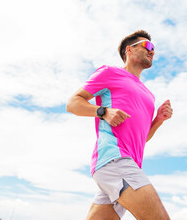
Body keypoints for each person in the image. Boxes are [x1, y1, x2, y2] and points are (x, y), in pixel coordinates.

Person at [66, 30, 173, 220]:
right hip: (114, 160)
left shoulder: (149, 95)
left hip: (128, 164)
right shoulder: (110, 73)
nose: (152, 51)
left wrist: (158, 120)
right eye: (147, 46)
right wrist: (103, 112)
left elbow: (141, 138)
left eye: (154, 49)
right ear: (129, 50)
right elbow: (73, 103)